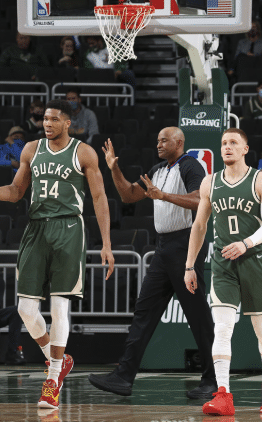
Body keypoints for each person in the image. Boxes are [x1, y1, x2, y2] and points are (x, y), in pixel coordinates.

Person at [0, 99, 115, 409]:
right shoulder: (31, 149)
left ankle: (52, 381)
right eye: (45, 119)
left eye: (54, 119)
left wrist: (106, 243)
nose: (47, 123)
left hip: (69, 228)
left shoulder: (84, 152)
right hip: (36, 228)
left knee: (59, 307)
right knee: (26, 309)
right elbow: (16, 192)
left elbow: (99, 197)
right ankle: (57, 360)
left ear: (68, 123)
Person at [87, 127, 217, 400]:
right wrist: (114, 168)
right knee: (144, 312)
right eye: (157, 140)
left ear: (179, 143)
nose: (158, 144)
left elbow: (199, 200)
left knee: (198, 317)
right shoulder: (157, 170)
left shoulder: (190, 166)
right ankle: (123, 377)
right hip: (163, 248)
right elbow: (128, 195)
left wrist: (164, 196)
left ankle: (213, 380)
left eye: (164, 140)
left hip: (186, 245)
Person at [184, 128, 262, 417]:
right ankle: (223, 395)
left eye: (233, 143)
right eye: (224, 143)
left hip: (256, 262)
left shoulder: (261, 179)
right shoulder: (210, 182)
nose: (227, 147)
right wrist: (189, 265)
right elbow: (199, 226)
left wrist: (246, 243)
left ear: (245, 149)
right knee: (222, 328)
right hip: (223, 264)